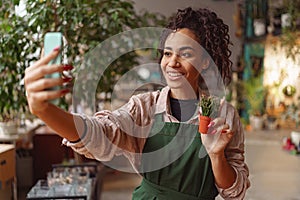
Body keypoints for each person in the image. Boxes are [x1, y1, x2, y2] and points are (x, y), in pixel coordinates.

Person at [25, 7, 250, 200]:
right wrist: (45, 111)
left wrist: (215, 155)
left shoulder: (223, 115)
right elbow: (101, 133)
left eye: (186, 54)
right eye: (167, 53)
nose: (172, 63)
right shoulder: (145, 108)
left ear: (204, 61)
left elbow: (234, 193)